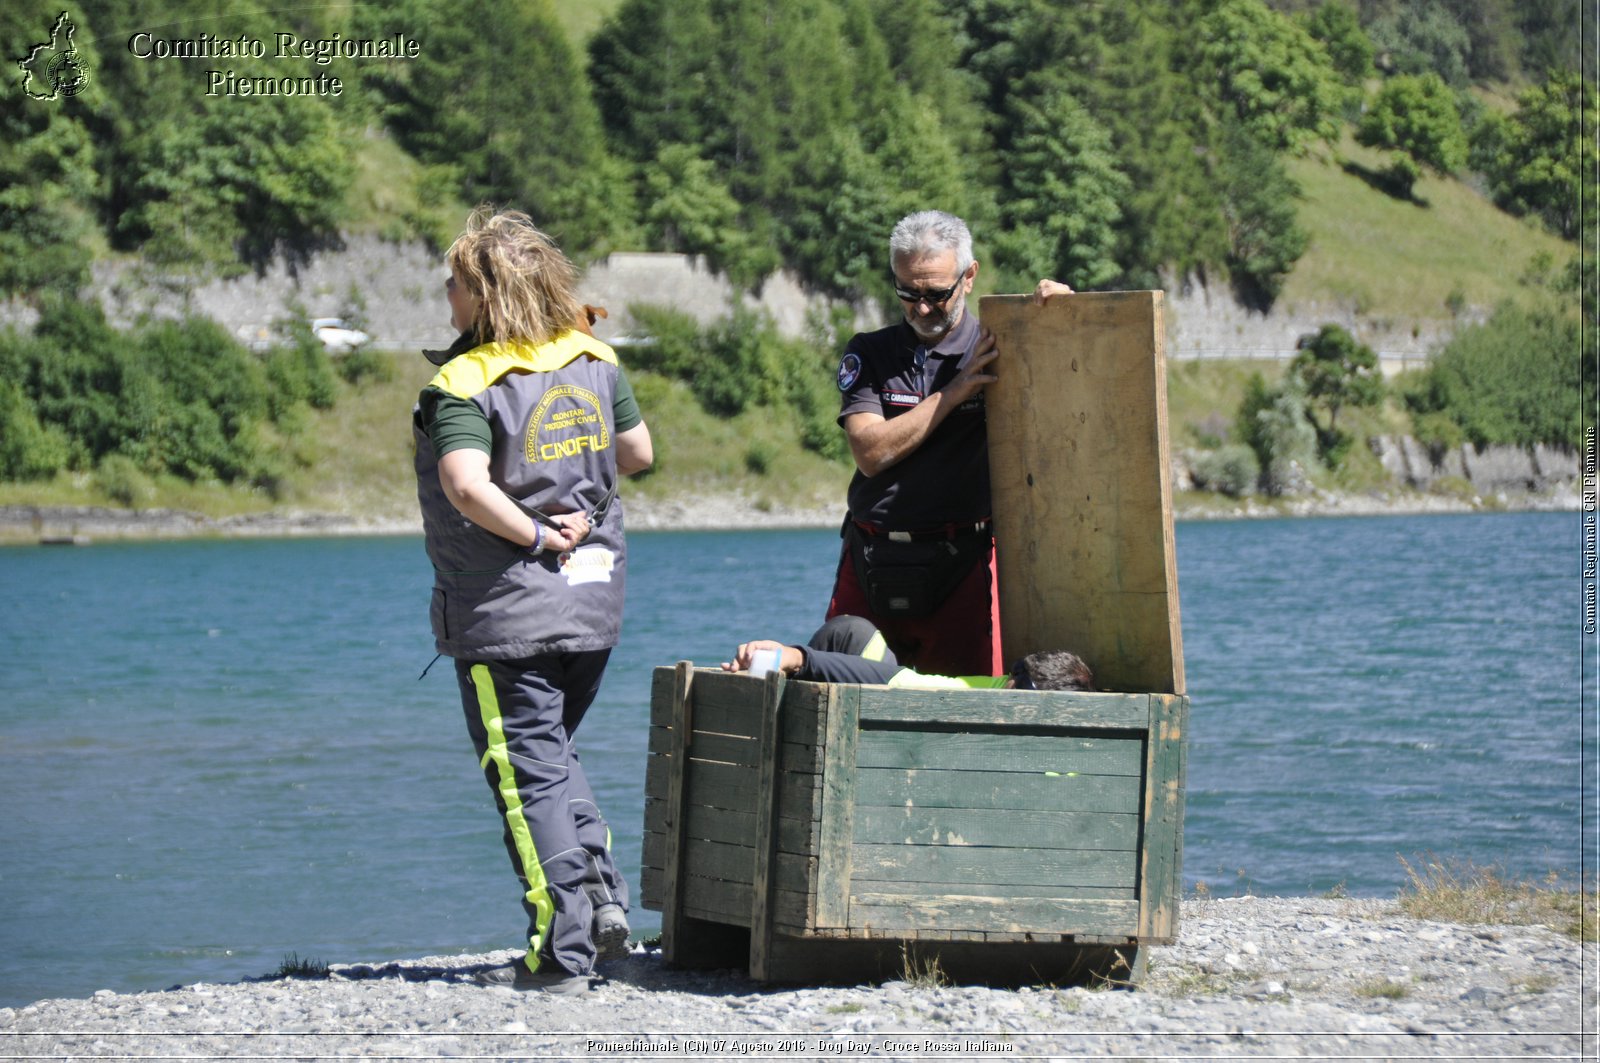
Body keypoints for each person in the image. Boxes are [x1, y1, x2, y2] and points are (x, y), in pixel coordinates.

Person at [413, 206, 653, 994]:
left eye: (453, 282)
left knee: (524, 771)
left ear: (483, 294)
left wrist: (536, 535)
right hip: (593, 607)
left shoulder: (463, 380)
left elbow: (464, 483)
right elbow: (638, 454)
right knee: (551, 756)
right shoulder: (593, 357)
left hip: (509, 611)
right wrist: (576, 508)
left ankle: (561, 946)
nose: (444, 295)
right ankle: (604, 899)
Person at [829, 209, 1073, 677]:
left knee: (965, 717)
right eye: (907, 292)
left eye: (935, 294)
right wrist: (955, 391)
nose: (921, 307)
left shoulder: (1000, 345)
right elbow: (871, 453)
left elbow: (1074, 391)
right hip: (870, 559)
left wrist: (1064, 318)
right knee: (843, 700)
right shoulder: (870, 351)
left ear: (969, 277)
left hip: (962, 565)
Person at [722, 615, 1094, 692]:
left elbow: (900, 684)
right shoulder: (997, 690)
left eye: (1021, 687)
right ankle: (774, 685)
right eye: (1016, 673)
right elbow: (906, 681)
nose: (1009, 684)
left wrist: (798, 658)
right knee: (851, 633)